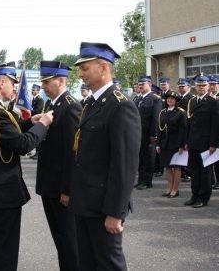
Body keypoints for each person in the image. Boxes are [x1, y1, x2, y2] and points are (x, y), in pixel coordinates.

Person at [0, 62, 53, 271]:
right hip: (2, 189)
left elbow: (6, 135)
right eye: (13, 83)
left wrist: (30, 122)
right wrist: (43, 124)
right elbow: (22, 144)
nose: (15, 88)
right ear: (1, 82)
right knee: (4, 248)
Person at [71, 42, 141, 270]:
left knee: (109, 265)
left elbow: (125, 166)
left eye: (85, 68)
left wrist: (115, 213)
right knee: (87, 264)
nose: (81, 74)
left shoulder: (120, 106)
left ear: (103, 67)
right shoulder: (90, 104)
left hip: (103, 207)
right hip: (84, 203)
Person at [36, 60, 82, 270]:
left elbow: (72, 153)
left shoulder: (71, 106)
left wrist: (68, 190)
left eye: (47, 82)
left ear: (61, 80)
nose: (43, 86)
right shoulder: (53, 105)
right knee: (60, 241)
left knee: (69, 243)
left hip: (61, 190)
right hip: (50, 186)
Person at [184, 73, 219, 208]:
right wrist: (187, 141)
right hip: (193, 141)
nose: (201, 87)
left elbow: (217, 124)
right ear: (195, 86)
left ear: (208, 86)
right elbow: (189, 123)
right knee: (194, 171)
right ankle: (194, 195)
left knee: (205, 172)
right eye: (199, 85)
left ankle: (203, 197)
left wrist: (213, 143)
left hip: (206, 143)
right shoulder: (192, 101)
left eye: (204, 85)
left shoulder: (214, 101)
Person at [156, 91, 187, 198]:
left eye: (172, 99)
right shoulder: (162, 112)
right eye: (168, 98)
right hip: (165, 143)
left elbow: (183, 130)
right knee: (168, 167)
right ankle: (169, 188)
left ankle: (175, 189)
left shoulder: (181, 113)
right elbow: (159, 129)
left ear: (176, 101)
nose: (169, 100)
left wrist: (181, 145)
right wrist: (158, 144)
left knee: (177, 167)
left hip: (176, 144)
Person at [134, 76, 162, 189]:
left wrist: (154, 133)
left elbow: (156, 118)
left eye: (143, 84)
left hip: (148, 134)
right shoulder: (137, 99)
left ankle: (147, 181)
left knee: (148, 158)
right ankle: (140, 180)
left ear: (149, 85)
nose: (140, 86)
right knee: (140, 158)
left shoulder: (155, 99)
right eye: (139, 84)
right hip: (138, 133)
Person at [176, 78, 194, 183]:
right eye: (179, 86)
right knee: (180, 150)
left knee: (187, 151)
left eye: (183, 86)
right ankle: (182, 171)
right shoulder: (177, 98)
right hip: (179, 128)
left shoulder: (191, 98)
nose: (181, 88)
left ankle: (188, 172)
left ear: (188, 87)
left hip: (188, 127)